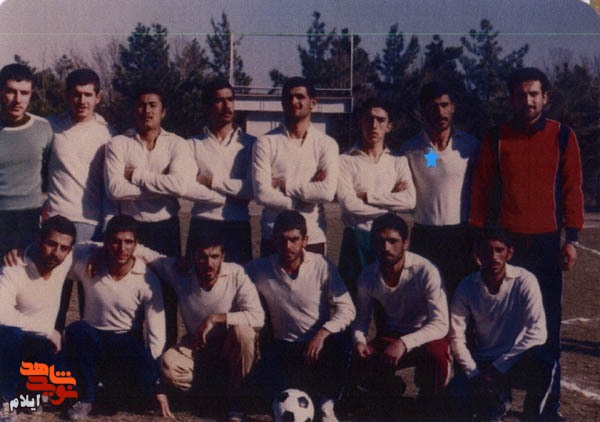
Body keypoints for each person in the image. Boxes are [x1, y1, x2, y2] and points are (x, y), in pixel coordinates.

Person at [469, 67, 584, 420]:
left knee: (546, 327)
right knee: (503, 326)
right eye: (521, 95)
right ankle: (497, 397)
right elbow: (481, 189)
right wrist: (478, 239)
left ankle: (545, 407)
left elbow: (572, 188)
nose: (528, 101)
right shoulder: (495, 137)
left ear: (545, 97)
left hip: (546, 246)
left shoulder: (563, 136)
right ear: (512, 100)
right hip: (507, 246)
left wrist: (572, 239)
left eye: (534, 94)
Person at [138, 229, 264, 421]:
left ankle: (238, 400)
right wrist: (98, 251)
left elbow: (258, 317)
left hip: (230, 345)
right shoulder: (181, 272)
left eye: (214, 256)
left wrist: (215, 318)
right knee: (168, 366)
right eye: (202, 257)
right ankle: (213, 391)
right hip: (197, 346)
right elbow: (140, 251)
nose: (209, 263)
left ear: (223, 256)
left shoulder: (236, 273)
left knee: (244, 333)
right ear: (193, 257)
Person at [104, 86, 196, 347]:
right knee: (128, 296)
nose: (147, 110)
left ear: (163, 111)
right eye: (142, 105)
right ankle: (129, 356)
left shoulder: (177, 144)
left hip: (166, 230)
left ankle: (165, 359)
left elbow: (180, 186)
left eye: (153, 105)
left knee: (165, 299)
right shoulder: (118, 143)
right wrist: (162, 185)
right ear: (134, 110)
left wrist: (136, 176)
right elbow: (114, 189)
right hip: (131, 230)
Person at [245, 210, 355, 422]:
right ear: (274, 240)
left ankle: (327, 404)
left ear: (305, 240)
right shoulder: (261, 268)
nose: (288, 246)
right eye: (282, 240)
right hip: (283, 347)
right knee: (260, 392)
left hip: (317, 347)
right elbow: (230, 274)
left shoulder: (322, 265)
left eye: (294, 240)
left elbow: (347, 308)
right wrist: (187, 266)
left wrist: (323, 333)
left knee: (343, 343)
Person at [62, 215, 166, 421]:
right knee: (76, 331)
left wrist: (156, 381)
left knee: (129, 392)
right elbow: (58, 258)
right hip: (92, 339)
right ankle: (86, 398)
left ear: (136, 244)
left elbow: (157, 334)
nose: (122, 248)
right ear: (106, 242)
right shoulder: (89, 264)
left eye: (128, 242)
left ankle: (108, 386)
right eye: (116, 241)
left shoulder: (147, 279)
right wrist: (23, 254)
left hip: (125, 342)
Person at [351, 213, 450, 415]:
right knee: (358, 361)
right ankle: (390, 390)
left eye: (393, 241)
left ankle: (431, 399)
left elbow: (441, 324)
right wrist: (359, 341)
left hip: (425, 336)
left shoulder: (425, 270)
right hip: (391, 336)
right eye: (380, 241)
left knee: (438, 354)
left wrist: (404, 343)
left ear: (405, 243)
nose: (386, 248)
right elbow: (361, 319)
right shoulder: (368, 276)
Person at [449, 227, 550, 421]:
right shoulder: (467, 286)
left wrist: (498, 368)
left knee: (544, 361)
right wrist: (473, 373)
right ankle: (495, 401)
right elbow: (456, 335)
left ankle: (532, 416)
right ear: (477, 254)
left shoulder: (525, 280)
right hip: (482, 363)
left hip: (515, 359)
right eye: (487, 251)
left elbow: (537, 332)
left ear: (509, 252)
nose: (493, 257)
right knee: (456, 401)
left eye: (499, 250)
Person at [399, 81, 480, 298]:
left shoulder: (470, 145)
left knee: (461, 298)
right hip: (425, 235)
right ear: (423, 110)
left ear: (453, 107)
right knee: (425, 298)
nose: (440, 112)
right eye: (433, 107)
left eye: (445, 105)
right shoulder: (410, 149)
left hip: (461, 236)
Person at [252, 77, 339, 257]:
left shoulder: (327, 144)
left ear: (313, 103)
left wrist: (284, 185)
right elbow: (261, 193)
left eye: (300, 97)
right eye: (288, 97)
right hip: (274, 235)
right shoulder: (265, 142)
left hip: (312, 236)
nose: (294, 102)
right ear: (282, 103)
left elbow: (326, 192)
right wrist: (304, 197)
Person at [0, 216, 76, 421]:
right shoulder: (14, 268)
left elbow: (114, 246)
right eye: (51, 244)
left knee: (68, 384)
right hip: (14, 345)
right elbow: (1, 313)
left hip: (41, 347)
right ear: (38, 239)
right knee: (9, 334)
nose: (56, 252)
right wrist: (47, 330)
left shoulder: (66, 260)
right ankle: (5, 399)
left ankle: (29, 395)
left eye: (63, 248)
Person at [337, 97, 416, 295]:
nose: (374, 125)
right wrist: (391, 201)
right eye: (369, 119)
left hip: (389, 241)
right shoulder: (345, 160)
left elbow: (409, 201)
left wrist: (367, 196)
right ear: (360, 122)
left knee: (388, 301)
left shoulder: (398, 161)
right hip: (356, 238)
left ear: (389, 126)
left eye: (380, 120)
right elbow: (349, 206)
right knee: (351, 301)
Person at [184, 79, 256, 264]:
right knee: (197, 279)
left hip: (238, 225)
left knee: (238, 278)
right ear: (206, 106)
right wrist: (233, 195)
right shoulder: (192, 144)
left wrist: (212, 182)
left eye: (230, 99)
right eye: (219, 100)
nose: (227, 106)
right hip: (203, 223)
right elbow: (189, 189)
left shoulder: (250, 143)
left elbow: (251, 189)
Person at [46, 68, 115, 242]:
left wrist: (107, 225)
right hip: (55, 219)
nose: (82, 101)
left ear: (98, 97)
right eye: (76, 95)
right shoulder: (50, 126)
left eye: (88, 95)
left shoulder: (109, 134)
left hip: (91, 223)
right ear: (67, 96)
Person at [0, 63, 53, 256]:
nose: (18, 99)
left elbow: (49, 170)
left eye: (24, 93)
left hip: (31, 217)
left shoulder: (43, 128)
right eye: (11, 91)